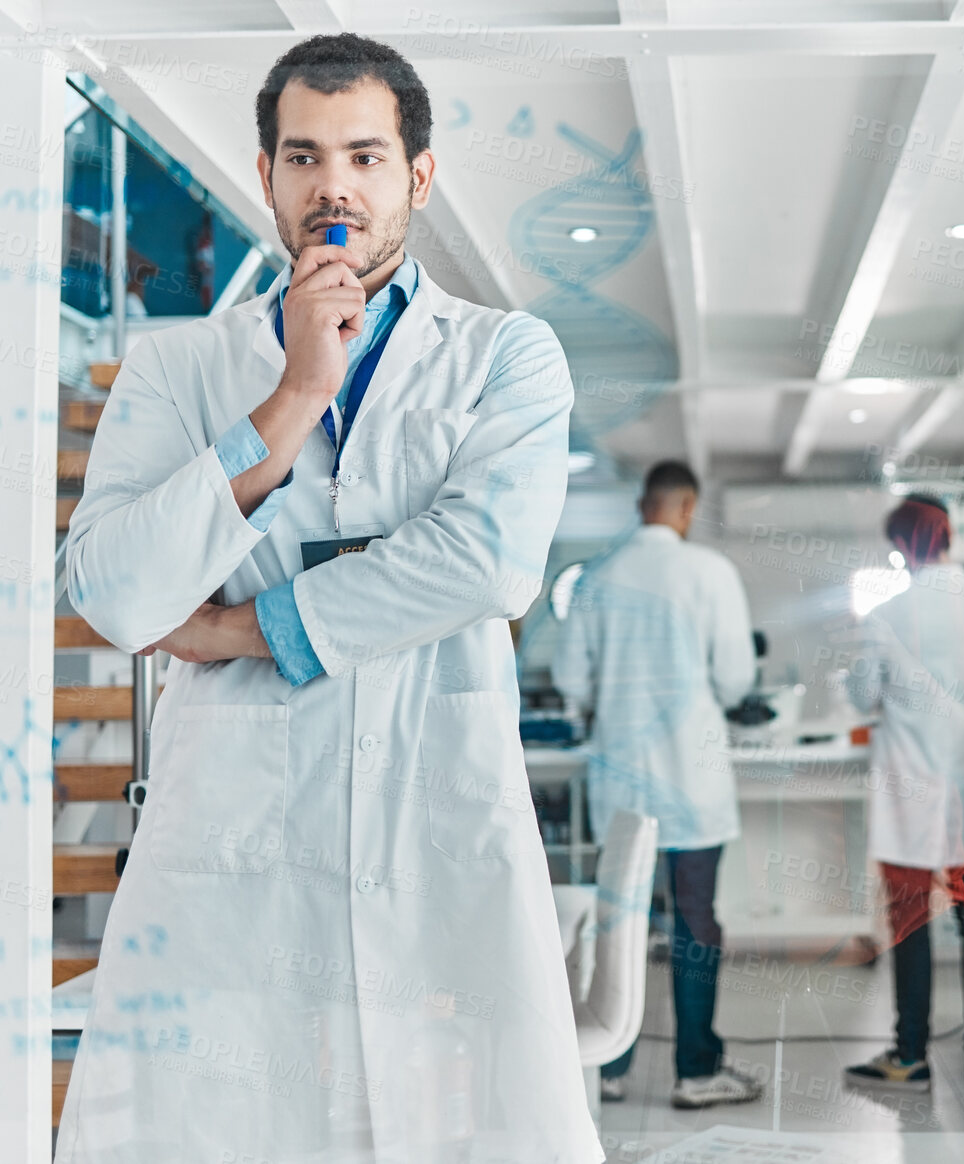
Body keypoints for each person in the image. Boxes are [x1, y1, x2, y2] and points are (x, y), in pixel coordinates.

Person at [58, 34, 601, 1162]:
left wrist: (238, 626)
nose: (332, 187)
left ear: (417, 175)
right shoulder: (177, 370)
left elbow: (488, 561)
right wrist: (293, 398)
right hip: (230, 860)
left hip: (435, 836)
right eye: (302, 157)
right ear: (266, 177)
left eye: (364, 153)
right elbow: (113, 593)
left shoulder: (507, 356)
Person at [552, 460, 764, 1109]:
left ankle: (609, 1066)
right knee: (694, 920)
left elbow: (571, 683)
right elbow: (734, 680)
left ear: (643, 504)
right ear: (687, 507)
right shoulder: (710, 573)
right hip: (692, 780)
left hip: (620, 784)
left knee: (617, 920)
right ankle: (697, 1071)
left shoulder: (595, 578)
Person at [843, 495, 964, 1092]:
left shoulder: (888, 613)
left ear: (901, 547)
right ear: (949, 536)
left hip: (909, 796)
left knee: (910, 925)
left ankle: (910, 1053)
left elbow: (863, 696)